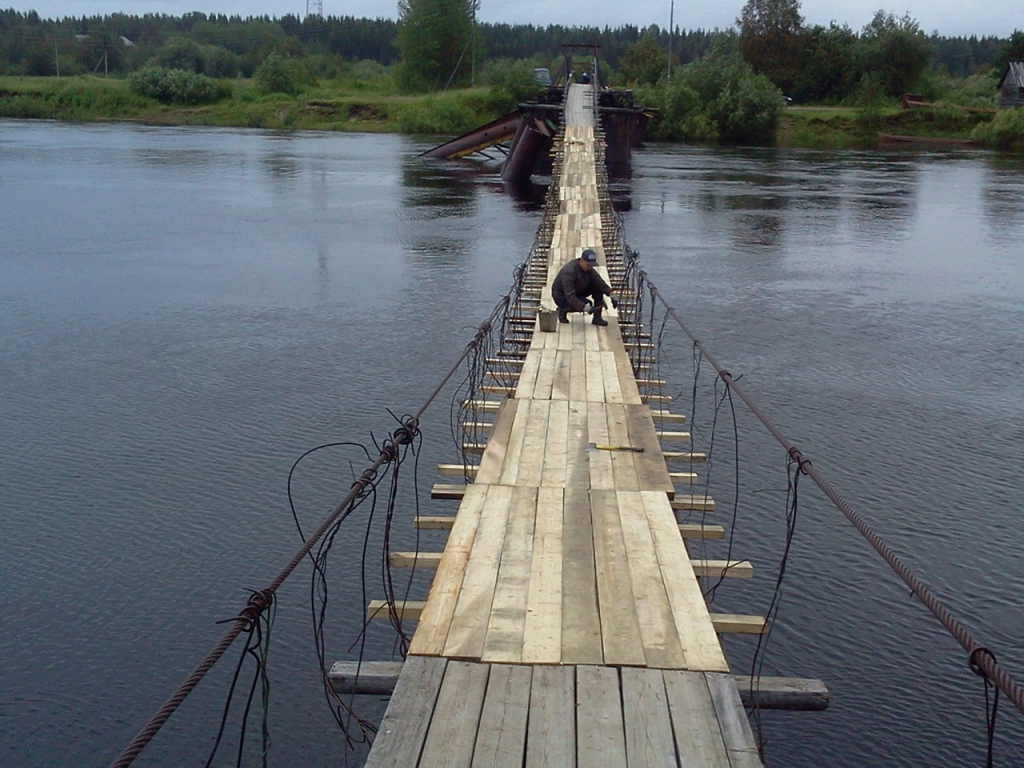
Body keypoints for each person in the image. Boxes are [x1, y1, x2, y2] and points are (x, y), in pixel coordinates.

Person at [551, 248, 618, 326]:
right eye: (588, 265)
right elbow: (569, 296)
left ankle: (597, 318)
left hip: (577, 289)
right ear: (582, 260)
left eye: (591, 265)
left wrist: (611, 294)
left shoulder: (588, 269)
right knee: (586, 304)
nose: (590, 267)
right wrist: (586, 308)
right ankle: (562, 309)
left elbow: (599, 282)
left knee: (598, 288)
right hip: (562, 296)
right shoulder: (569, 272)